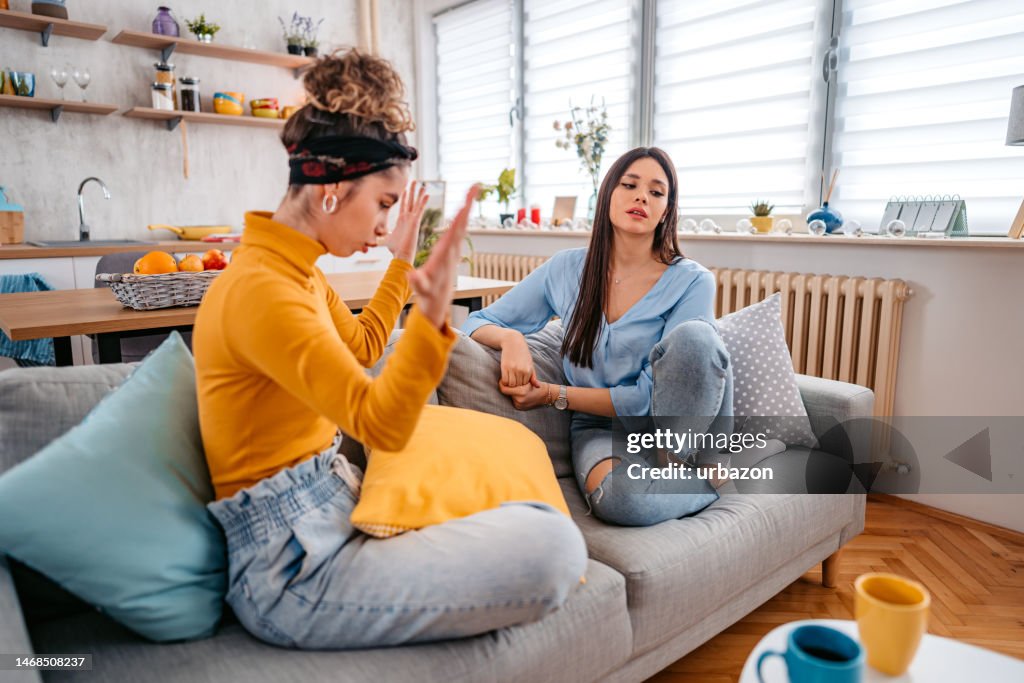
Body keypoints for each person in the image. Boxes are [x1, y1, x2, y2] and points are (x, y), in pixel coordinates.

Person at [193, 49, 586, 650]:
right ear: (331, 188)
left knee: (531, 515)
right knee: (554, 547)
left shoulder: (297, 274)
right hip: (289, 567)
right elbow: (380, 421)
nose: (384, 224)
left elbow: (364, 345)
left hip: (328, 501)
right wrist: (433, 314)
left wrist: (401, 262)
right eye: (382, 203)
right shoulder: (262, 291)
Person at [463, 147, 735, 527]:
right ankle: (699, 485)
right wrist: (513, 340)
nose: (642, 196)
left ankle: (692, 465)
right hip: (598, 427)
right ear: (608, 193)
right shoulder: (566, 268)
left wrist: (551, 395)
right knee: (619, 499)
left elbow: (646, 398)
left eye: (657, 192)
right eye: (630, 185)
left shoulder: (691, 280)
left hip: (668, 423)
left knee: (697, 338)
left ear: (667, 211)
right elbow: (476, 321)